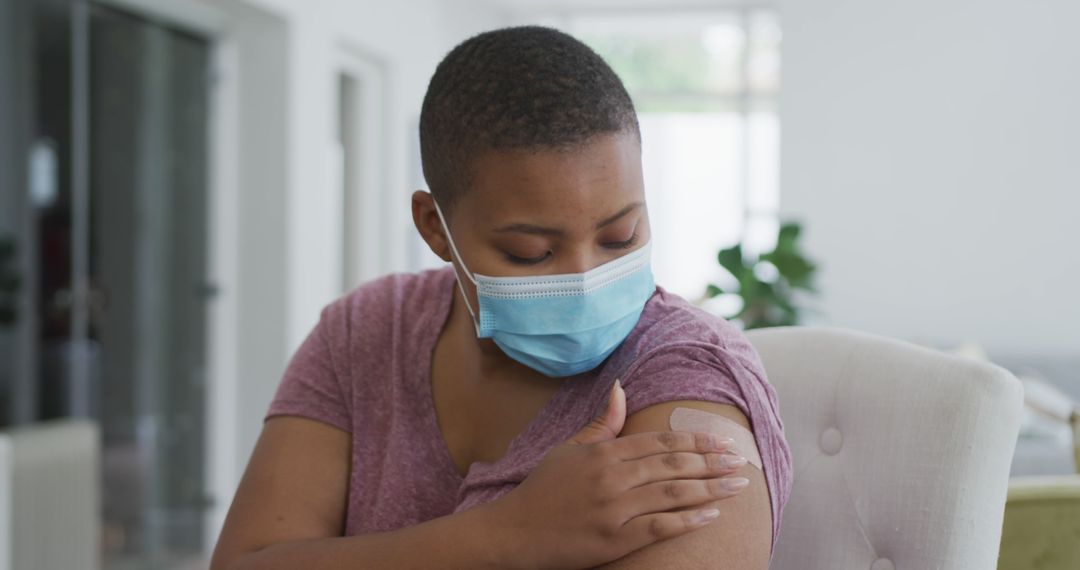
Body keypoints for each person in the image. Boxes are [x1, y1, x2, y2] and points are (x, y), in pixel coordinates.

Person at [211, 25, 792, 570]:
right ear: (435, 227)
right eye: (531, 252)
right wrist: (503, 536)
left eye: (621, 236)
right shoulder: (368, 329)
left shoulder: (688, 374)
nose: (585, 279)